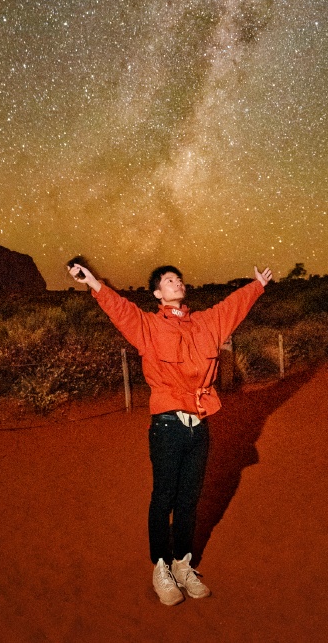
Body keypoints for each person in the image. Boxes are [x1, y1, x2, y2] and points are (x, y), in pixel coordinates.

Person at [66, 258, 272, 606]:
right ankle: (160, 566)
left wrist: (257, 287)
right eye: (168, 280)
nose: (177, 282)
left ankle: (182, 564)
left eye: (178, 278)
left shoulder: (206, 324)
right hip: (168, 426)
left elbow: (231, 307)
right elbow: (120, 309)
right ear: (158, 293)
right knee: (164, 499)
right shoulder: (147, 326)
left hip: (200, 426)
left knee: (189, 500)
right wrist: (93, 281)